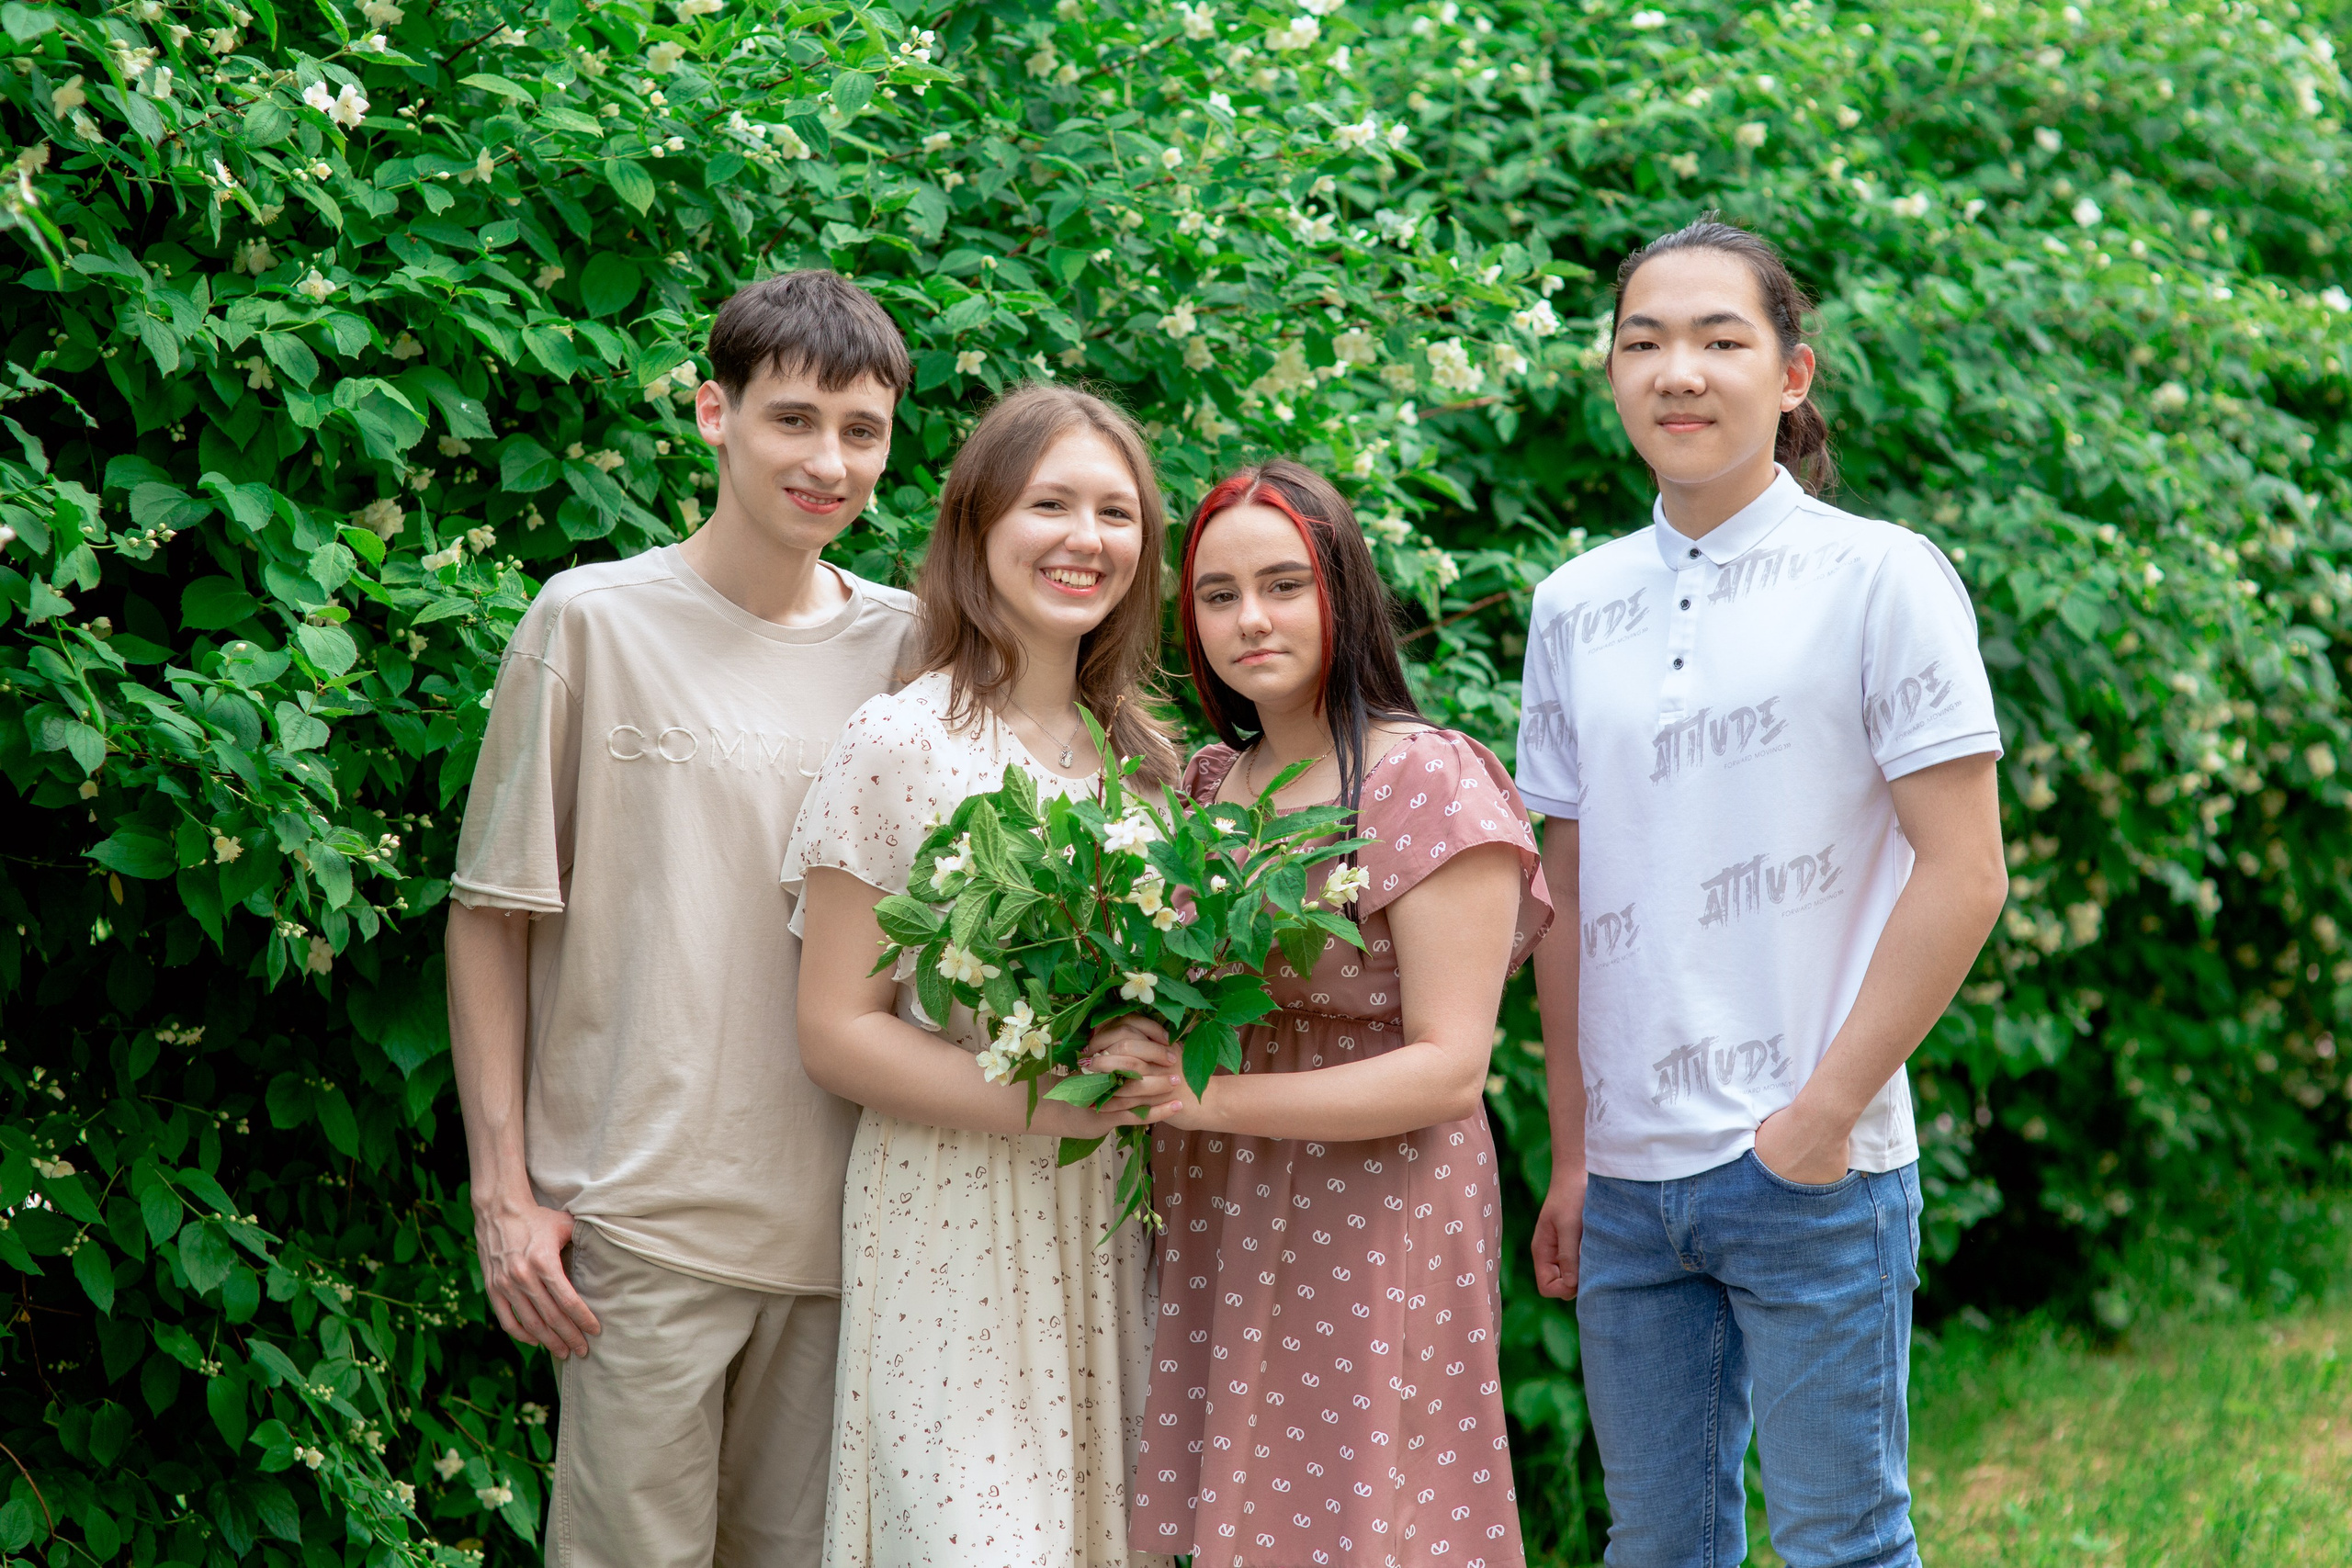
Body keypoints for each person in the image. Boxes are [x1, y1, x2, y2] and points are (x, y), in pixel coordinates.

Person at [1518, 217, 2009, 1568]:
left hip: (1812, 1168)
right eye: (1643, 342)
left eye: (1719, 339)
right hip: (1628, 1186)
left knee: (1843, 1541)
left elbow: (1966, 872)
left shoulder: (1881, 575)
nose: (1677, 370)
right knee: (1656, 1543)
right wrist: (1575, 1152)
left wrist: (1822, 1115)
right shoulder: (1573, 604)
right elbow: (1567, 893)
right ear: (1613, 375)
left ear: (1791, 375)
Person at [446, 270, 920, 1568]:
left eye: (862, 431)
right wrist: (503, 1194)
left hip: (850, 1239)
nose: (827, 462)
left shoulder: (911, 651)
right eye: (793, 419)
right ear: (715, 413)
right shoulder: (590, 620)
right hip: (635, 1233)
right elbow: (492, 915)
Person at [1091, 459, 1553, 1568]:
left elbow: (1449, 1067)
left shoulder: (1424, 781)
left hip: (1372, 1198)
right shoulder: (1209, 786)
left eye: (1283, 585)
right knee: (1241, 1513)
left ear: (1340, 589)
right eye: (1217, 595)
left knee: (1352, 1510)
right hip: (1221, 1196)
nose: (1249, 619)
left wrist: (1200, 1098)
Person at [785, 383, 1187, 1568]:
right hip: (950, 1215)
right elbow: (835, 1029)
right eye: (1049, 504)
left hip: (1100, 1213)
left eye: (1116, 513)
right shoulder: (901, 741)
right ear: (978, 524)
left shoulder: (1147, 764)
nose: (1085, 538)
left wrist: (1149, 1053)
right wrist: (1043, 1102)